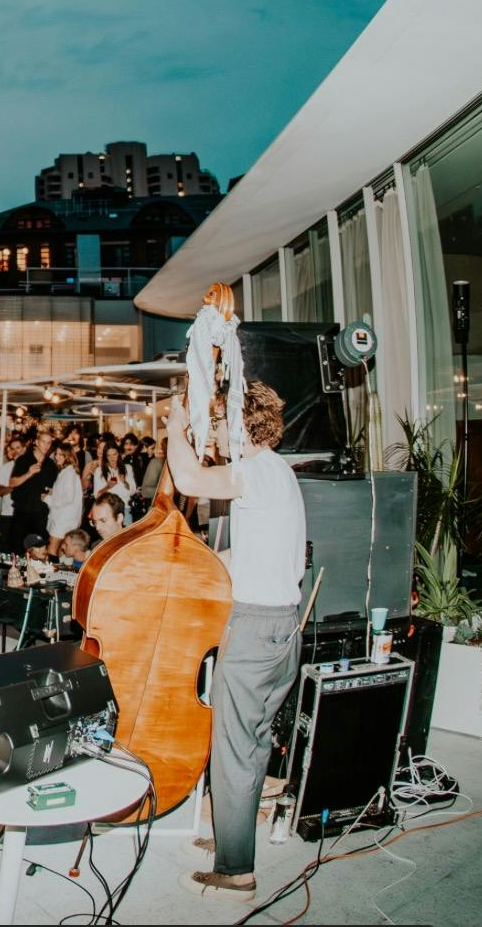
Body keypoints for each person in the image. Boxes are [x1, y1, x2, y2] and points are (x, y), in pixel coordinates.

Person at [170, 382, 305, 904]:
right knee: (249, 745)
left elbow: (186, 476)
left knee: (233, 751)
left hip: (254, 630)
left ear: (243, 424)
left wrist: (175, 424)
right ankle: (233, 838)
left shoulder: (256, 472)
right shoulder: (278, 474)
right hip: (279, 627)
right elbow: (249, 560)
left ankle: (235, 872)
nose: (218, 434)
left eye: (222, 424)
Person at [7, 429, 58, 552]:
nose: (46, 446)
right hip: (22, 512)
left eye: (49, 443)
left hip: (40, 514)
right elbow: (12, 483)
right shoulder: (23, 460)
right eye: (43, 442)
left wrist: (51, 493)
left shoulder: (51, 465)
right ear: (36, 442)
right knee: (18, 549)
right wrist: (29, 473)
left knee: (38, 551)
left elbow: (53, 488)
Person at [44, 445, 84, 548]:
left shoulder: (69, 473)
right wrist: (53, 492)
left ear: (68, 456)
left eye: (61, 454)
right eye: (56, 454)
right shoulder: (67, 472)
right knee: (61, 552)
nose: (57, 457)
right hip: (63, 519)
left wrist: (48, 499)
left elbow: (67, 498)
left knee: (51, 551)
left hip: (62, 521)